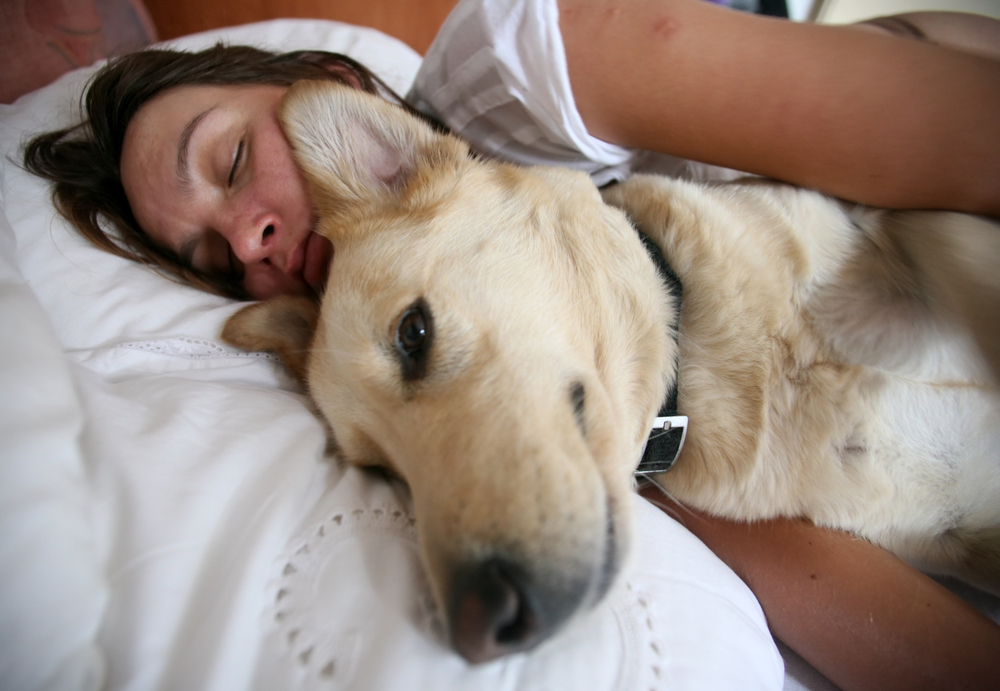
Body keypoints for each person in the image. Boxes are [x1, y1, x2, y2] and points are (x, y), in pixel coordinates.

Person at [21, 0, 1000, 689]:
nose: (247, 243)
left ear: (343, 103)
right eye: (212, 260)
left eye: (230, 160)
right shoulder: (648, 428)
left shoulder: (527, 71)